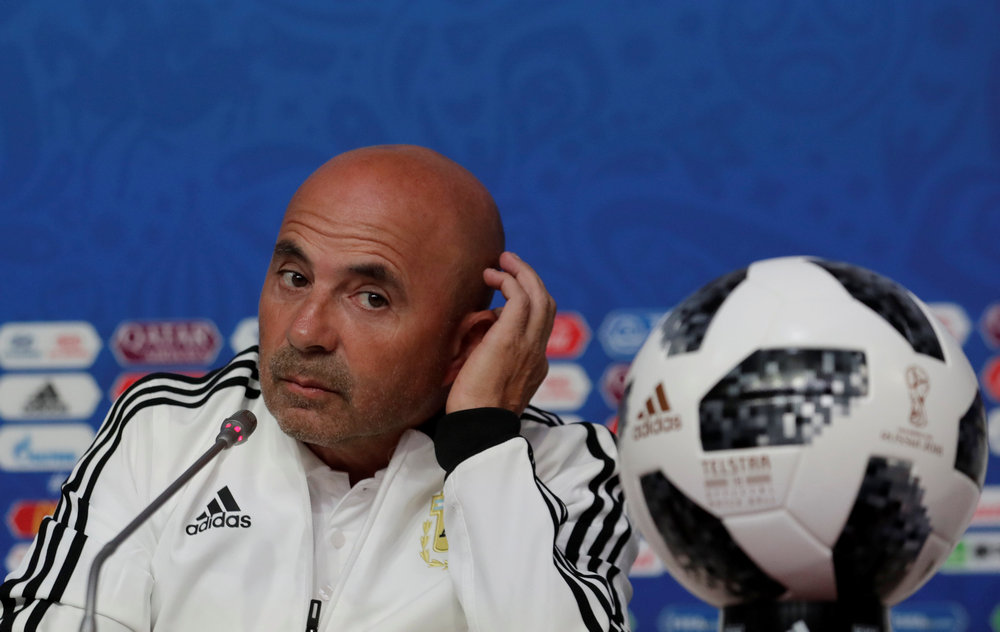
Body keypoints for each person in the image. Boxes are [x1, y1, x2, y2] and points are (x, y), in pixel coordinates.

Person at [0, 145, 636, 631]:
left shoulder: (563, 473)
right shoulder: (167, 434)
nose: (305, 331)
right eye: (294, 277)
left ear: (467, 344)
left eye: (370, 297)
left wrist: (482, 448)